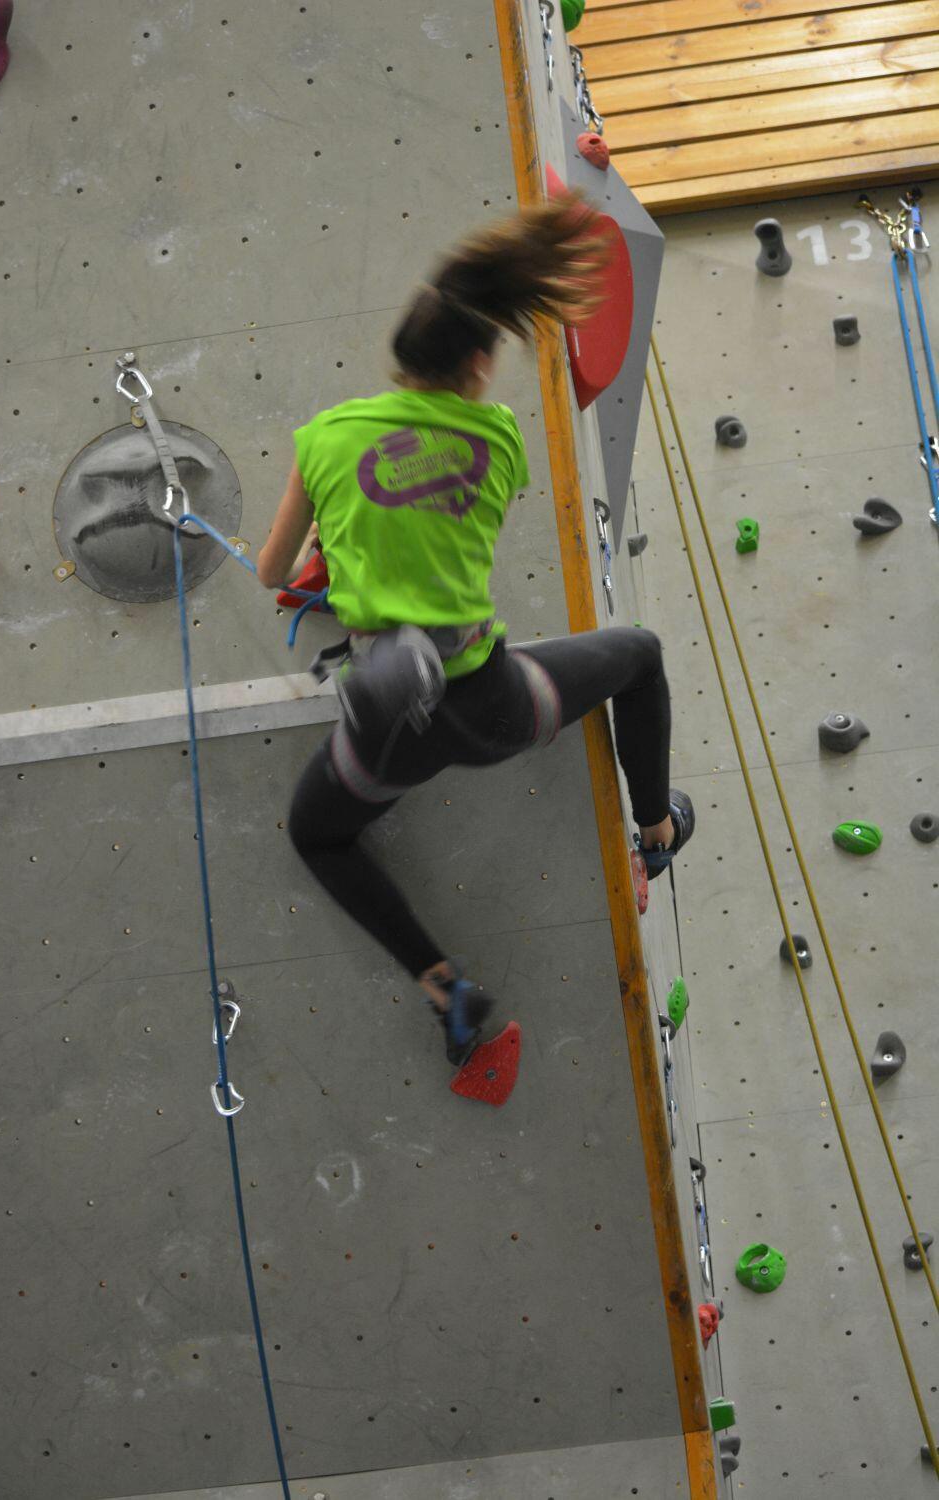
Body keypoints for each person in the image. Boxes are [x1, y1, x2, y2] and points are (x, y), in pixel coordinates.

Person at [255, 190, 694, 1068]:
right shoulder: (498, 441)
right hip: (496, 707)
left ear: (401, 356)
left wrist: (335, 556)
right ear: (480, 364)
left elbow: (273, 572)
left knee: (317, 835)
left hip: (390, 732)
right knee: (640, 657)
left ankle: (443, 985)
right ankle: (655, 830)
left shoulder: (323, 440)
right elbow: (436, 525)